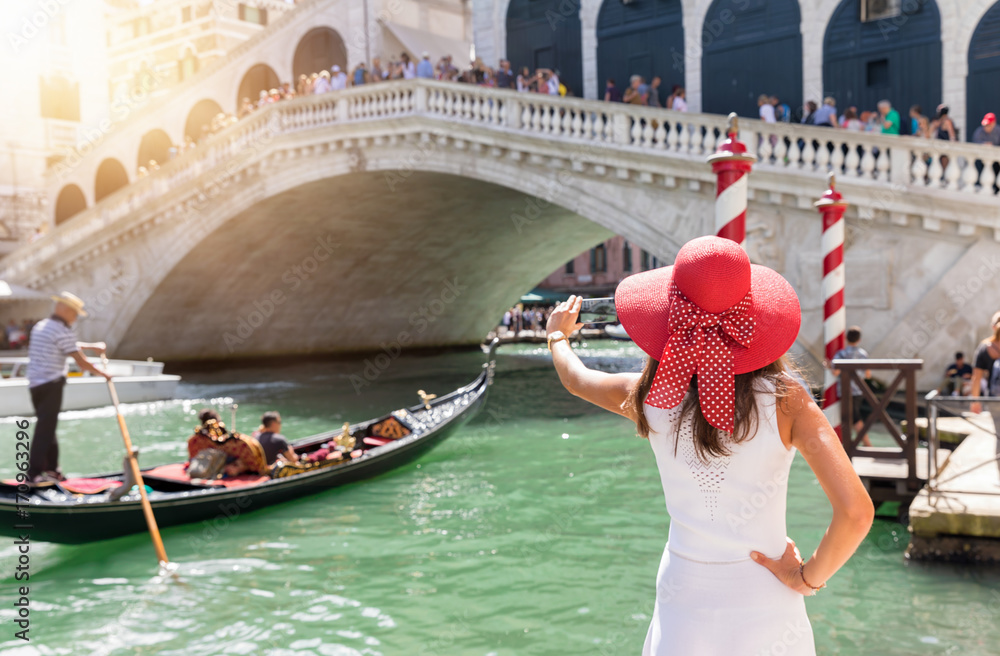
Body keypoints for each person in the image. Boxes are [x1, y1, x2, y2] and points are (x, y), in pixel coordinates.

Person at [544, 236, 873, 655]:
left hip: (683, 599)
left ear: (667, 318)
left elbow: (575, 379)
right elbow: (857, 513)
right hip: (768, 600)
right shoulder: (788, 401)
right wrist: (806, 577)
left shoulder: (648, 396)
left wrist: (557, 336)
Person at [26, 292, 111, 483]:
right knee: (45, 429)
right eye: (74, 313)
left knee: (48, 426)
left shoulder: (42, 326)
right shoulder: (62, 331)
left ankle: (52, 469)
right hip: (50, 385)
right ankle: (32, 474)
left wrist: (92, 346)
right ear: (64, 310)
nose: (75, 318)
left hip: (35, 385)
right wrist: (104, 374)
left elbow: (65, 344)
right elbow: (81, 362)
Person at [831, 326, 873, 447]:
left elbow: (836, 372)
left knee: (852, 418)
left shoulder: (841, 354)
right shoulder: (863, 354)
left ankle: (864, 444)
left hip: (844, 390)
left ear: (846, 338)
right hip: (859, 390)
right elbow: (868, 374)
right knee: (853, 417)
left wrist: (829, 366)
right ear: (859, 339)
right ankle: (858, 444)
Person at [969, 311, 1000, 414]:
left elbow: (976, 377)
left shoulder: (984, 348)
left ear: (993, 327)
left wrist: (975, 401)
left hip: (994, 397)